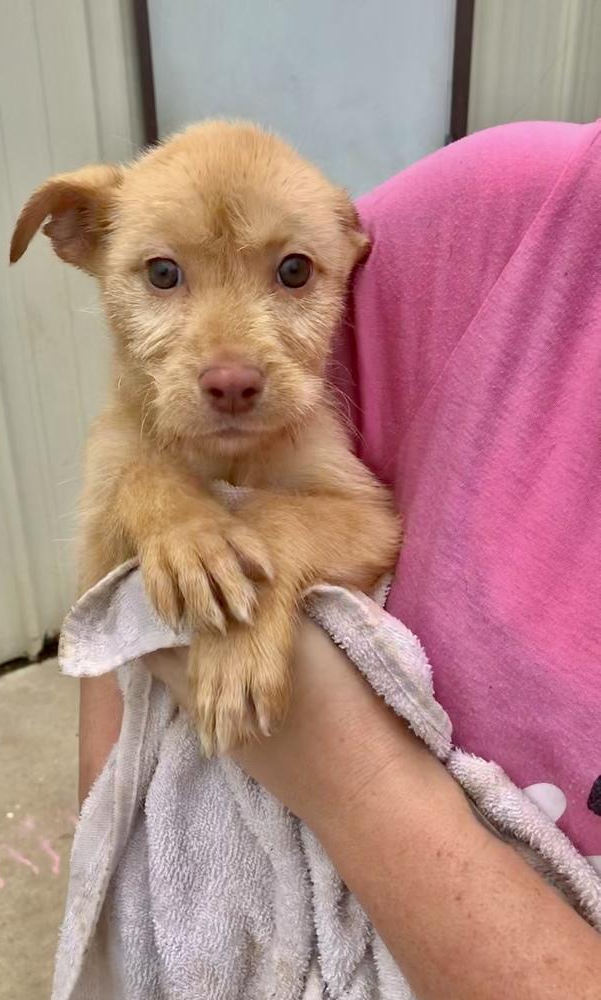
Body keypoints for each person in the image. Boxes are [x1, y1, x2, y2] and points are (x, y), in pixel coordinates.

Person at [78, 120, 601, 1000]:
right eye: (164, 276)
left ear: (350, 253)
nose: (232, 363)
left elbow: (364, 527)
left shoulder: (311, 423)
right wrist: (161, 510)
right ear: (82, 241)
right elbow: (98, 586)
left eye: (292, 274)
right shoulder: (523, 201)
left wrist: (267, 559)